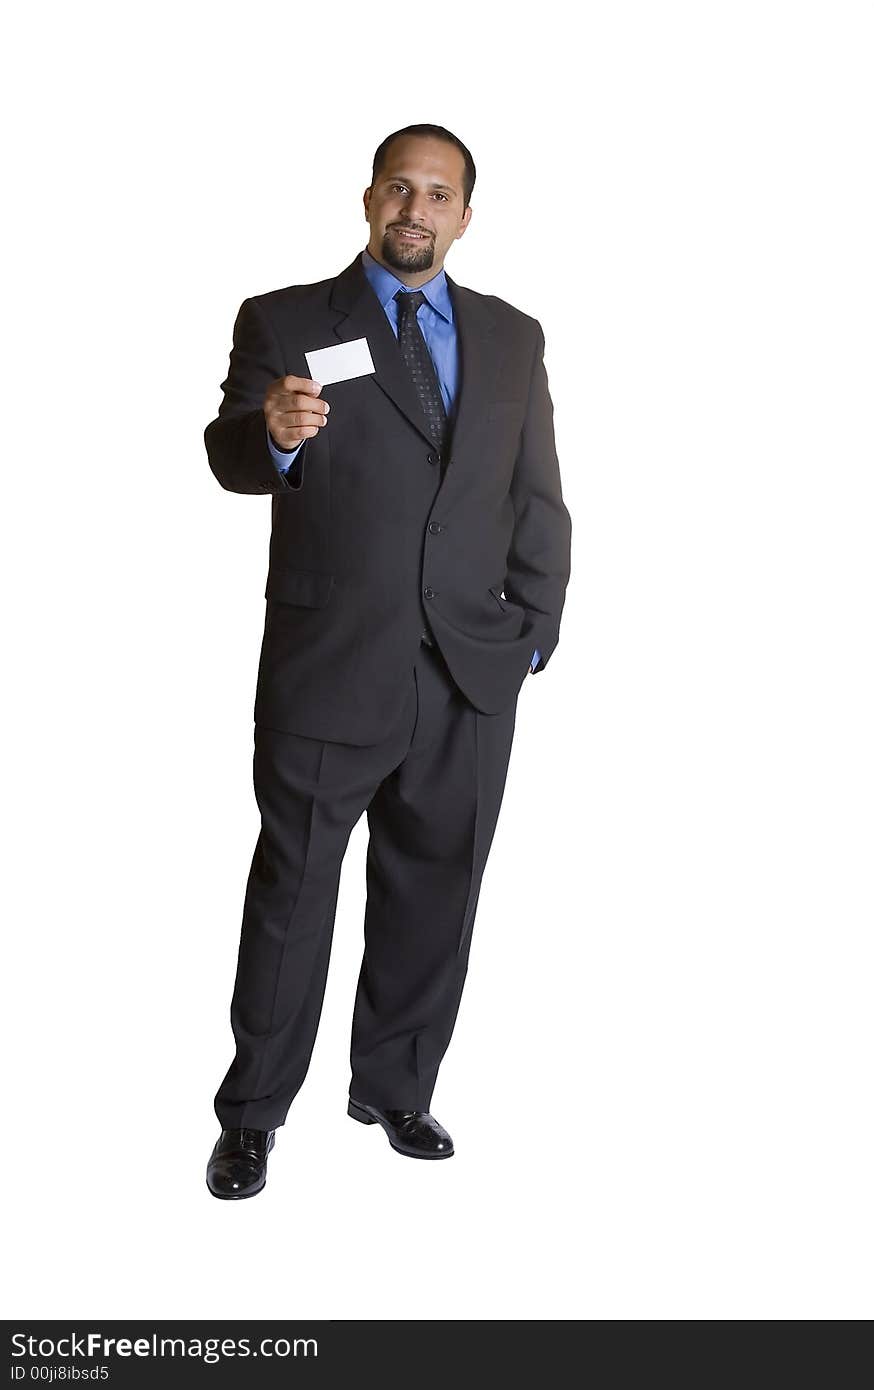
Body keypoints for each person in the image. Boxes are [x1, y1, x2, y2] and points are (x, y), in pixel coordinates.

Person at [203, 122, 572, 1198]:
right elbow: (230, 452)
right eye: (398, 189)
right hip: (333, 662)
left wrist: (534, 625)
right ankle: (254, 1114)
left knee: (436, 891)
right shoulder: (286, 320)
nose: (416, 209)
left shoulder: (511, 337)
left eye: (439, 194)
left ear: (464, 214)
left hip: (468, 670)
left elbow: (534, 489)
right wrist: (272, 432)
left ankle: (396, 1085)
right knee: (292, 896)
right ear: (369, 199)